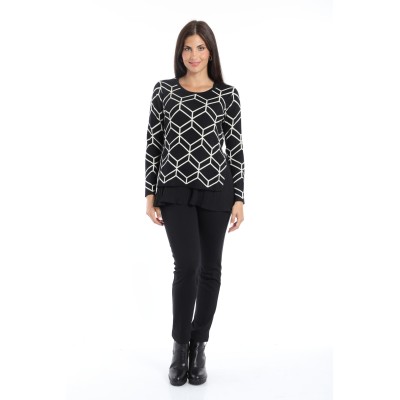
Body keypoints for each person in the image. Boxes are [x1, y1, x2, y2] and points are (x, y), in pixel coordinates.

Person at [144, 20, 245, 386]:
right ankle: (179, 344)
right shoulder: (164, 90)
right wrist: (149, 192)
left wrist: (239, 197)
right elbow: (154, 141)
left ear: (211, 52)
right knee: (187, 265)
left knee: (211, 269)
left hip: (217, 190)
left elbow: (234, 147)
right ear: (180, 52)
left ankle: (198, 346)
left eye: (200, 47)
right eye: (188, 48)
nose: (194, 55)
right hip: (174, 190)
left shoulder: (227, 95)